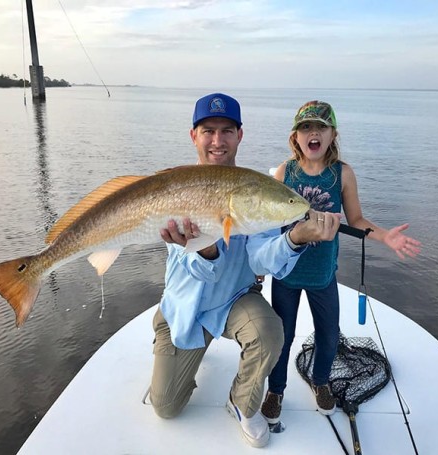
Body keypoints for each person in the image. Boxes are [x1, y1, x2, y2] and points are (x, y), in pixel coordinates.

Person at [149, 93, 342, 448]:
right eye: (208, 131)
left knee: (270, 332)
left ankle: (242, 402)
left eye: (227, 131)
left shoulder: (253, 190)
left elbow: (261, 260)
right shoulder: (178, 187)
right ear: (194, 135)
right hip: (186, 307)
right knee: (166, 407)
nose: (218, 141)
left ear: (240, 135)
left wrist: (295, 237)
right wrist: (204, 249)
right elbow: (195, 273)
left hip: (233, 301)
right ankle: (175, 359)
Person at [261, 100, 421, 423]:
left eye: (321, 126)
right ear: (296, 137)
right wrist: (258, 268)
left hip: (323, 275)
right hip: (287, 274)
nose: (314, 132)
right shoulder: (284, 171)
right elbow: (269, 224)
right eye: (306, 127)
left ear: (333, 134)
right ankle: (276, 389)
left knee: (329, 335)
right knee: (283, 334)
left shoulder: (342, 174)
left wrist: (385, 236)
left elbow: (357, 219)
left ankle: (321, 382)